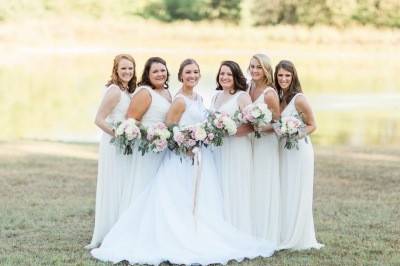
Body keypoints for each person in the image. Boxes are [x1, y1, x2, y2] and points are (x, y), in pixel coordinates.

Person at [90, 58, 275, 265]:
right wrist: (184, 144)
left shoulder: (198, 98)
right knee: (175, 201)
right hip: (182, 156)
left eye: (195, 72)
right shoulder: (179, 100)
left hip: (201, 155)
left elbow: (202, 125)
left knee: (199, 202)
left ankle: (197, 232)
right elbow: (171, 129)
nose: (192, 76)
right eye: (188, 73)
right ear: (180, 76)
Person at [86, 54, 136, 249]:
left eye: (130, 68)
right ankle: (108, 232)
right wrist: (120, 134)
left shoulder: (128, 90)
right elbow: (98, 119)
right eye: (123, 68)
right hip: (114, 143)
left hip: (125, 144)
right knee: (115, 184)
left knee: (123, 185)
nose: (127, 72)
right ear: (116, 70)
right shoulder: (114, 90)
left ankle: (120, 229)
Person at [275, 60, 323, 250]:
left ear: (293, 77)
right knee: (285, 190)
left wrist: (294, 133)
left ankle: (298, 236)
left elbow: (313, 125)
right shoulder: (279, 97)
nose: (284, 79)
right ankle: (284, 232)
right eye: (280, 75)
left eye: (287, 75)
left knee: (297, 190)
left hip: (299, 150)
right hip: (283, 150)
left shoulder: (299, 99)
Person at [118, 57, 172, 213]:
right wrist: (152, 133)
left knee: (160, 189)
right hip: (147, 149)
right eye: (155, 71)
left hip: (163, 149)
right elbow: (131, 121)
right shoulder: (145, 93)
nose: (160, 74)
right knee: (145, 186)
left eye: (163, 70)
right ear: (147, 75)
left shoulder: (168, 92)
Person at [211, 60, 254, 234]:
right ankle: (221, 230)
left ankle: (238, 230)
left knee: (236, 187)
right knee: (219, 187)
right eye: (222, 73)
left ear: (236, 76)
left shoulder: (242, 96)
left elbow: (252, 126)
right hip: (218, 149)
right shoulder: (215, 96)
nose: (225, 77)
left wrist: (232, 131)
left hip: (237, 148)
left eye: (229, 74)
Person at [247, 54, 281, 245]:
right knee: (250, 184)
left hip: (265, 143)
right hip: (249, 142)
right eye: (252, 67)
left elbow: (278, 123)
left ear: (266, 70)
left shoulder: (269, 94)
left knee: (263, 184)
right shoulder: (247, 87)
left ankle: (265, 233)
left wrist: (261, 127)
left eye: (258, 67)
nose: (254, 71)